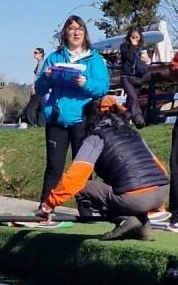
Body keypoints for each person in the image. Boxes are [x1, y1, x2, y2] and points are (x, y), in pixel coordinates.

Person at [35, 96, 168, 240]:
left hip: (135, 199)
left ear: (90, 117)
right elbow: (160, 168)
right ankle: (143, 227)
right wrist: (158, 204)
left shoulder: (96, 137)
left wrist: (47, 206)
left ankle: (123, 219)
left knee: (81, 188)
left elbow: (74, 179)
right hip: (162, 192)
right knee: (120, 184)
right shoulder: (133, 133)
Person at [35, 15, 110, 207]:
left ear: (85, 34)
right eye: (71, 29)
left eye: (80, 29)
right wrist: (47, 77)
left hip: (82, 120)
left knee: (82, 168)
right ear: (65, 33)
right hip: (57, 119)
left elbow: (103, 87)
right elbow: (40, 89)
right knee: (54, 168)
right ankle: (45, 208)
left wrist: (86, 83)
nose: (76, 32)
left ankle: (87, 211)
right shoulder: (54, 57)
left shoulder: (94, 59)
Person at [119, 25, 150, 128]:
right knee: (133, 98)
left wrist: (147, 60)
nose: (135, 39)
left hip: (138, 77)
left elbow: (146, 62)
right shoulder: (124, 47)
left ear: (140, 37)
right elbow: (129, 58)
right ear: (129, 36)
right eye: (133, 37)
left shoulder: (142, 48)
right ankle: (138, 119)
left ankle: (124, 120)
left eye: (137, 37)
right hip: (126, 77)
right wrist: (132, 46)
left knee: (131, 100)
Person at [23, 48, 46, 127]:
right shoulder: (40, 63)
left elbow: (38, 76)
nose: (34, 54)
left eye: (36, 52)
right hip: (42, 88)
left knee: (30, 108)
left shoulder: (41, 63)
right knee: (41, 107)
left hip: (39, 87)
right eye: (34, 52)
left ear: (41, 54)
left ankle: (31, 123)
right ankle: (41, 123)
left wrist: (34, 87)